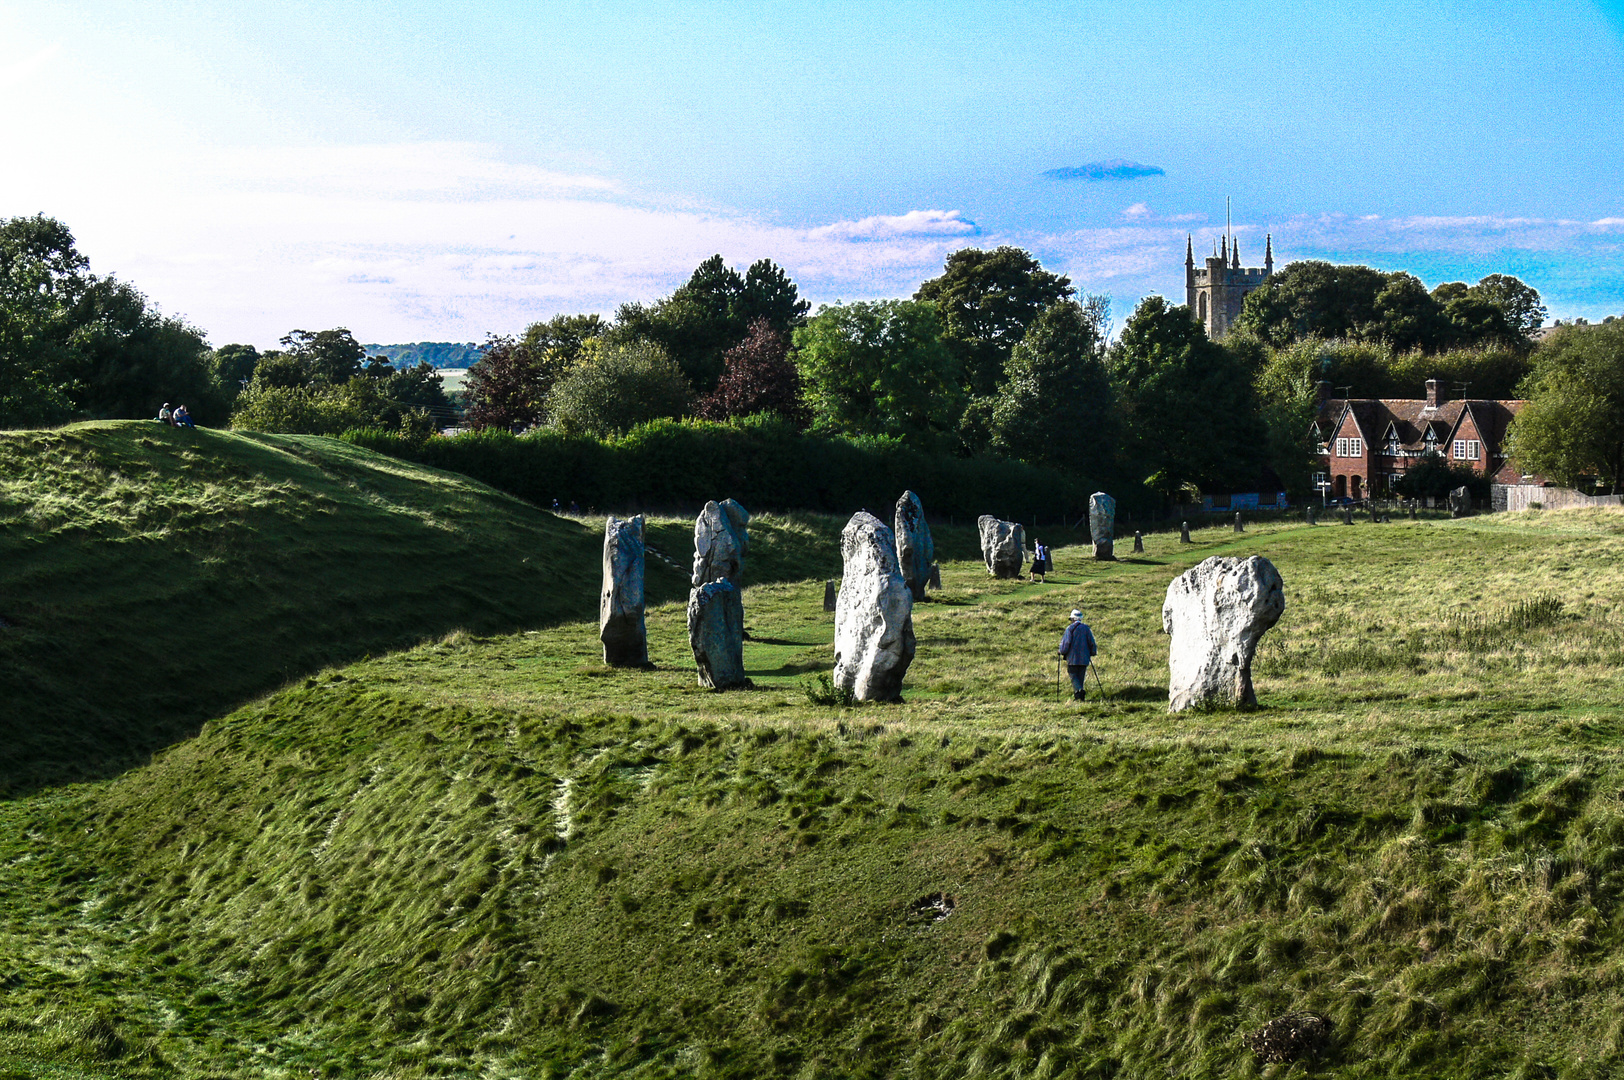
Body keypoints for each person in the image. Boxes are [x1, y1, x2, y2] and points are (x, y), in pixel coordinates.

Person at [1057, 608, 1097, 702]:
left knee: (1073, 674)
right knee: (1081, 676)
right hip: (1084, 657)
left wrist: (1061, 651)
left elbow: (1066, 643)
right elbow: (1092, 642)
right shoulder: (1086, 628)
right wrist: (1092, 652)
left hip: (1073, 657)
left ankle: (1079, 691)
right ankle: (1079, 697)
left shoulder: (1070, 629)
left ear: (1073, 619)